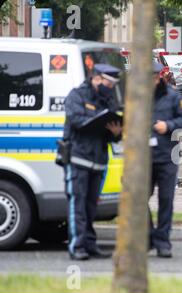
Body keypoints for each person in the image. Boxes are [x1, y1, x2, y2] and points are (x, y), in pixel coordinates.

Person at [63, 64, 123, 261]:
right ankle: (77, 246)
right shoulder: (77, 95)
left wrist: (116, 133)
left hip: (98, 162)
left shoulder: (108, 100)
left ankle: (89, 244)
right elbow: (77, 120)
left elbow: (112, 135)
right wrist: (97, 120)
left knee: (90, 207)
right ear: (97, 78)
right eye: (108, 82)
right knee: (78, 205)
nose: (111, 87)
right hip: (78, 159)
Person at [149, 62, 182, 258]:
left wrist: (168, 125)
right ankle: (149, 235)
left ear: (159, 76)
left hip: (167, 156)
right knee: (139, 200)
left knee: (166, 200)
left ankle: (163, 241)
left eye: (154, 76)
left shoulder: (172, 95)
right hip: (143, 158)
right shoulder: (136, 96)